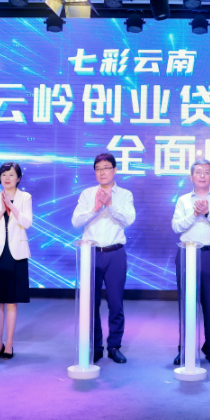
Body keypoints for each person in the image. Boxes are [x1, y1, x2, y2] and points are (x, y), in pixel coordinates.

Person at [72, 153, 136, 364]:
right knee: (91, 304)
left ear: (115, 170)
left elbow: (129, 219)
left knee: (116, 303)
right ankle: (96, 346)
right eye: (98, 168)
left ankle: (114, 346)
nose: (102, 172)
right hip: (91, 253)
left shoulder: (125, 194)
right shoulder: (87, 194)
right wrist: (96, 208)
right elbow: (76, 221)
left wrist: (110, 204)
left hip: (115, 253)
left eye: (106, 167)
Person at [171, 159, 210, 366]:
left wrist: (207, 213)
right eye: (198, 172)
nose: (202, 175)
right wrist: (194, 214)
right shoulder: (183, 200)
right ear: (191, 176)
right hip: (186, 253)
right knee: (186, 304)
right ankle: (185, 349)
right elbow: (176, 227)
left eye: (206, 172)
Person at [0, 162, 33, 360]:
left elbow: (27, 223)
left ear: (18, 178)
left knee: (11, 301)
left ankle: (9, 342)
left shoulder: (25, 197)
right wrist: (1, 210)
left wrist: (12, 207)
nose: (7, 178)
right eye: (4, 174)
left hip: (16, 253)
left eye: (11, 174)